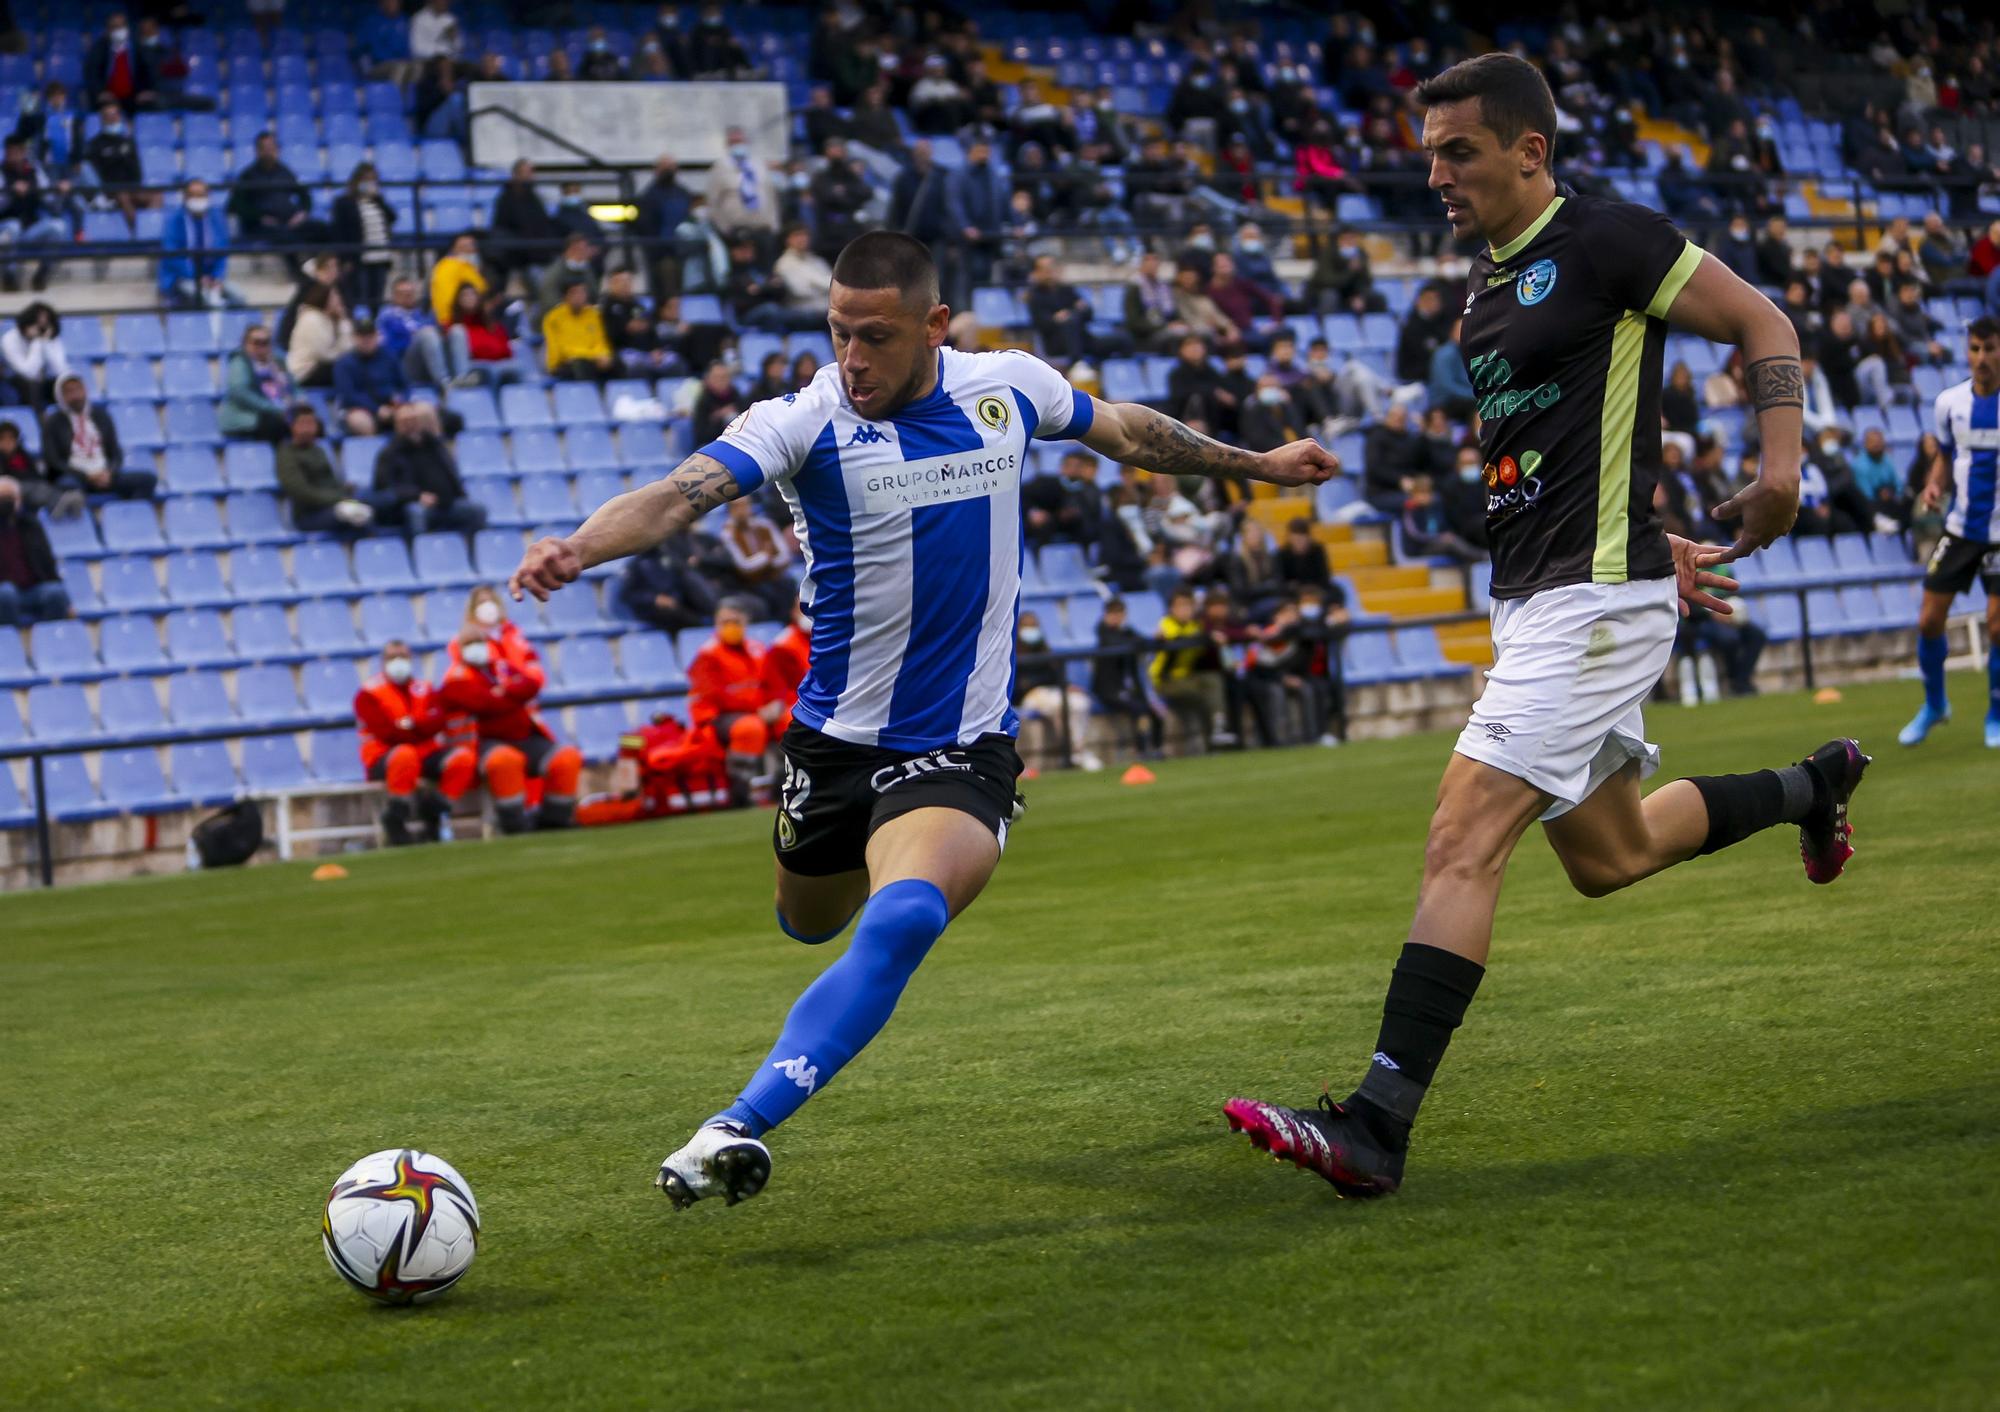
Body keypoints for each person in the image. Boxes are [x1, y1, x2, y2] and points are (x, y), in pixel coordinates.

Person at [508, 230, 1334, 1210]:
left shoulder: (1009, 388)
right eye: (837, 333)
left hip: (958, 746)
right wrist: (579, 546)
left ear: (934, 325)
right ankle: (844, 910)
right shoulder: (803, 419)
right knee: (806, 920)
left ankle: (731, 1125)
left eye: (876, 336)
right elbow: (673, 496)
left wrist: (1262, 466)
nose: (852, 358)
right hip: (832, 742)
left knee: (902, 914)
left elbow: (1124, 429)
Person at [1224, 53, 1868, 1200]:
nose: (1433, 174)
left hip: (1589, 603)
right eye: (1425, 153)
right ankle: (1809, 786)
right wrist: (1647, 527)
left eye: (1456, 150)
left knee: (1459, 835)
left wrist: (1778, 472)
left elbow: (1761, 321)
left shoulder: (1610, 240)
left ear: (1529, 151)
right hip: (1540, 599)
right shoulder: (1483, 290)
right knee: (1609, 856)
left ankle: (1375, 1123)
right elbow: (1573, 445)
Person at [1900, 317, 2000, 750]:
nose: (1981, 358)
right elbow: (1944, 455)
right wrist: (1935, 483)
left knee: (1997, 626)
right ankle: (1936, 704)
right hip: (1961, 529)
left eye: (1989, 348)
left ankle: (1995, 713)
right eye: (1975, 349)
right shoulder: (1949, 403)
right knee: (1928, 619)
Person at [439, 586, 581, 832]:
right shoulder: (456, 676)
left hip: (524, 734)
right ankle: (514, 822)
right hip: (483, 741)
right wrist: (508, 694)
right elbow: (484, 704)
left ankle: (554, 819)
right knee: (505, 761)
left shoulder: (503, 662)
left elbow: (531, 684)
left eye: (480, 643)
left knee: (566, 757)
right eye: (471, 643)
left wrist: (503, 692)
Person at [355, 639, 470, 845]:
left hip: (425, 752)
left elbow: (437, 722)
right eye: (392, 658)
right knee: (405, 754)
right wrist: (419, 727)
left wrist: (410, 726)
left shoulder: (424, 689)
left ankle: (434, 809)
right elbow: (387, 733)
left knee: (463, 758)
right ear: (383, 662)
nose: (398, 662)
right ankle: (396, 819)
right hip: (385, 757)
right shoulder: (368, 694)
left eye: (403, 657)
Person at [686, 596, 789, 803]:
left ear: (745, 623)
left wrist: (776, 704)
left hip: (759, 712)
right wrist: (757, 710)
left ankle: (784, 784)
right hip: (721, 716)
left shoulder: (758, 649)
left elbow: (775, 683)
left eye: (736, 622)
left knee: (790, 721)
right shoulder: (708, 655)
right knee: (750, 728)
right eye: (725, 622)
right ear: (716, 624)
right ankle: (741, 791)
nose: (731, 627)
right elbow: (715, 697)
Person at [43, 373, 155, 507]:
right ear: (61, 396)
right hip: (76, 477)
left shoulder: (101, 416)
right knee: (66, 487)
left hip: (104, 474)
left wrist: (109, 472)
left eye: (78, 389)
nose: (76, 395)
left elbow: (115, 452)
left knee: (148, 480)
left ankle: (126, 518)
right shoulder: (53, 422)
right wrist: (86, 476)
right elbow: (53, 460)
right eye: (69, 391)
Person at [372, 403, 485, 536]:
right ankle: (424, 552)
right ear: (397, 426)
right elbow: (384, 487)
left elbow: (449, 474)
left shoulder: (435, 446)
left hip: (445, 503)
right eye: (405, 422)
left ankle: (469, 550)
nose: (410, 426)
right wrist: (417, 496)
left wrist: (456, 494)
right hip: (413, 504)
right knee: (416, 512)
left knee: (477, 510)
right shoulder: (389, 453)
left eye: (413, 421)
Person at [278, 403, 390, 533]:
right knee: (356, 513)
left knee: (381, 499)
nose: (308, 428)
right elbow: (301, 492)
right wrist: (339, 499)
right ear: (292, 426)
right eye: (303, 423)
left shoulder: (318, 449)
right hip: (309, 516)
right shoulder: (286, 454)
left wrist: (345, 490)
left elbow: (330, 482)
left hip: (334, 504)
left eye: (311, 423)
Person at [227, 132, 330, 258]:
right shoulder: (247, 175)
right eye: (264, 148)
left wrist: (302, 213)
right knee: (289, 239)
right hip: (263, 227)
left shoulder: (285, 171)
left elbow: (305, 195)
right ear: (257, 151)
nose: (269, 152)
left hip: (291, 221)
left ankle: (329, 271)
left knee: (324, 230)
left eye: (272, 147)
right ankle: (306, 273)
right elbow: (235, 205)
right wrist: (260, 217)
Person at [1089, 596, 1163, 756]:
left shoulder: (1127, 631)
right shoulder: (1103, 632)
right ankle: (1142, 750)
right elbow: (1118, 644)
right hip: (1109, 690)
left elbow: (1142, 641)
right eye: (1113, 613)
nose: (1116, 617)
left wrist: (1157, 639)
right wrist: (1136, 643)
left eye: (1119, 613)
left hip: (1128, 688)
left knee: (1156, 712)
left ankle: (1157, 748)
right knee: (1140, 710)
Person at [158, 178, 241, 309]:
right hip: (181, 277)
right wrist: (198, 278)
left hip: (211, 278)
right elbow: (171, 256)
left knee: (239, 297)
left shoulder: (217, 219)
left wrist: (217, 277)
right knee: (204, 298)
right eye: (193, 195)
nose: (197, 199)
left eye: (201, 195)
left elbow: (222, 251)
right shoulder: (174, 220)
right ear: (185, 198)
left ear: (208, 196)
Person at [619, 527, 722, 631]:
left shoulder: (668, 557)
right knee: (675, 614)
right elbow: (628, 594)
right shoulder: (634, 565)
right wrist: (654, 598)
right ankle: (701, 629)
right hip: (655, 609)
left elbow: (680, 580)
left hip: (678, 603)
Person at [0, 474, 69, 626]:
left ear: (19, 500)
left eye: (10, 497)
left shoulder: (32, 526)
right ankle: (11, 641)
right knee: (6, 593)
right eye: (2, 498)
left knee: (56, 592)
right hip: (4, 592)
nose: (6, 503)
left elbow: (48, 562)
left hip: (33, 590)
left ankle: (49, 639)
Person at [330, 162, 398, 312]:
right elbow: (339, 232)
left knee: (377, 299)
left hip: (380, 257)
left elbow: (392, 218)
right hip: (358, 259)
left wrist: (379, 199)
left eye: (373, 179)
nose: (369, 183)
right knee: (360, 299)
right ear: (357, 180)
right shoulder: (344, 203)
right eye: (366, 179)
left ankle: (374, 329)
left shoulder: (378, 202)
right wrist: (345, 259)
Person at [332, 317, 411, 437]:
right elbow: (348, 396)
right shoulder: (344, 363)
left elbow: (404, 385)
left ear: (377, 336)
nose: (367, 340)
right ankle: (372, 454)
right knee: (361, 422)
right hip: (360, 410)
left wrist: (401, 401)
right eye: (362, 336)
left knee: (420, 413)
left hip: (391, 407)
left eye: (370, 336)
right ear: (354, 338)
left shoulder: (389, 356)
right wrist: (376, 409)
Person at [718, 496, 793, 619]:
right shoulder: (727, 533)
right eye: (737, 507)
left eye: (745, 505)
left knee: (788, 585)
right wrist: (765, 557)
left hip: (772, 576)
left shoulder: (765, 525)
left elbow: (785, 556)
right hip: (746, 583)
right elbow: (744, 566)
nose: (741, 510)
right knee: (765, 596)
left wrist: (765, 562)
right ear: (730, 511)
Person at [220, 325, 293, 442]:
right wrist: (274, 409)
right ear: (245, 344)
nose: (261, 347)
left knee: (310, 424)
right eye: (256, 342)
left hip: (280, 412)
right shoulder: (239, 362)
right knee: (276, 425)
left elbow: (295, 386)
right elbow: (240, 392)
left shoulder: (278, 361)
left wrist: (300, 401)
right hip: (249, 417)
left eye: (266, 342)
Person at [542, 277, 614, 381]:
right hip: (563, 363)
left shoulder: (593, 314)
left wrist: (603, 355)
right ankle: (586, 396)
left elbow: (600, 341)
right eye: (575, 293)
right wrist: (593, 356)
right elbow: (563, 350)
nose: (579, 297)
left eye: (582, 292)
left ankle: (622, 395)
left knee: (616, 363)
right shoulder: (553, 318)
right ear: (565, 296)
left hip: (592, 359)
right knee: (580, 365)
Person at [2, 303, 68, 415]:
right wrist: (37, 342)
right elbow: (29, 372)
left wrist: (44, 342)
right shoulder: (9, 339)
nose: (41, 329)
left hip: (45, 382)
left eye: (44, 326)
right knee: (32, 386)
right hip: (17, 383)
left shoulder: (50, 338)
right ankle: (39, 422)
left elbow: (60, 369)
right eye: (38, 325)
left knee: (65, 383)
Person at [286, 282, 353, 388]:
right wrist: (343, 356)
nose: (339, 300)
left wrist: (343, 320)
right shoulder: (312, 319)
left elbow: (349, 346)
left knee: (354, 365)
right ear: (324, 298)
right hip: (305, 371)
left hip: (321, 367)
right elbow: (323, 355)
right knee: (349, 367)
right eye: (335, 296)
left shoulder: (330, 320)